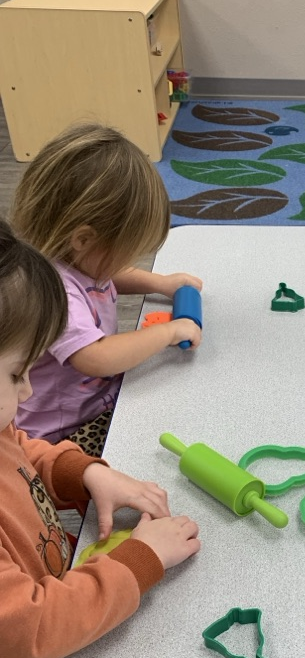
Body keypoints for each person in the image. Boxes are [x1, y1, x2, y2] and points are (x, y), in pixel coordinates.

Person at [0, 221, 201, 658]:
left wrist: (83, 472)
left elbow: (22, 448)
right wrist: (141, 560)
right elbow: (37, 628)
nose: (29, 393)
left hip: (51, 607)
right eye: (16, 374)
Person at [11, 123, 203, 456]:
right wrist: (168, 332)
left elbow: (108, 276)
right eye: (126, 251)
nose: (128, 261)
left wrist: (159, 283)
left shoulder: (72, 258)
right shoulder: (55, 293)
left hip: (92, 402)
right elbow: (96, 357)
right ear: (84, 239)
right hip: (60, 435)